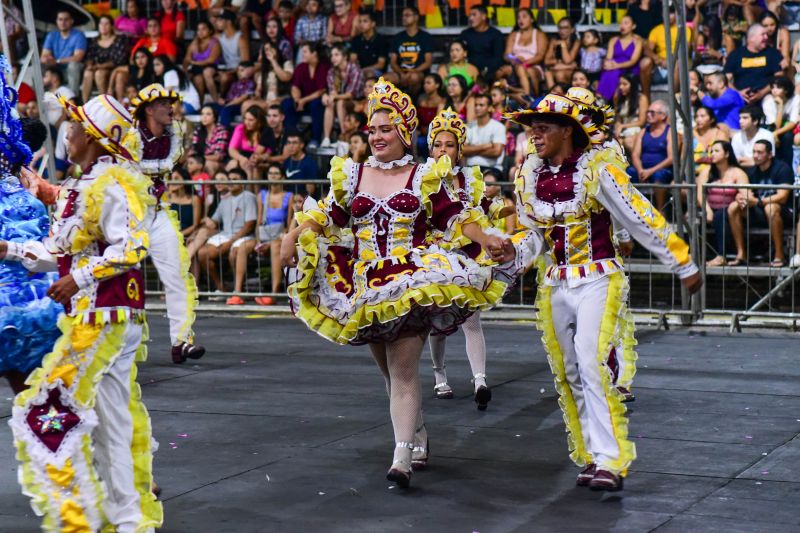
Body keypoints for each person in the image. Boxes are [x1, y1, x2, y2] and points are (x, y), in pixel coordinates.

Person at [280, 77, 511, 488]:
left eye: (386, 129)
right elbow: (328, 215)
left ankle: (401, 456)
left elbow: (456, 218)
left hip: (410, 282)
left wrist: (487, 237)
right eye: (372, 129)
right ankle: (417, 433)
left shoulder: (425, 174)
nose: (377, 136)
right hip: (365, 286)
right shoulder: (351, 174)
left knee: (404, 370)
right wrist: (292, 235)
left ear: (405, 131)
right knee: (389, 374)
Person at [506, 86, 702, 492]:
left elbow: (638, 216)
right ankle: (593, 454)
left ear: (567, 131)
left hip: (597, 277)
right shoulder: (530, 174)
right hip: (556, 282)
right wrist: (506, 256)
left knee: (592, 361)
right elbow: (534, 237)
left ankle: (612, 460)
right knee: (569, 372)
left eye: (542, 128)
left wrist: (681, 261)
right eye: (532, 130)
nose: (534, 136)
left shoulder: (596, 169)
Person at [1, 93, 162, 533]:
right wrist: (11, 249)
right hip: (97, 318)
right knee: (114, 424)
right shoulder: (82, 186)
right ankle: (129, 520)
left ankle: (78, 520)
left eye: (72, 129)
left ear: (91, 138)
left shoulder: (112, 185)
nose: (65, 135)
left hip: (105, 319)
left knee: (44, 413)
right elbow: (60, 251)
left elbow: (131, 246)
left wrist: (81, 279)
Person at [426, 108, 514, 409]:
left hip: (467, 255)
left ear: (459, 149)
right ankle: (440, 376)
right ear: (430, 148)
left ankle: (480, 380)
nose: (443, 150)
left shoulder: (468, 178)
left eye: (449, 145)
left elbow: (484, 204)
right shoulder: (423, 178)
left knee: (471, 318)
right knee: (438, 319)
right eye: (438, 144)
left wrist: (502, 207)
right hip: (436, 255)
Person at [123, 83, 205, 364]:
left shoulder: (173, 134)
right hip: (127, 217)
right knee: (124, 279)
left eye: (172, 102)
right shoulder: (130, 138)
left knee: (177, 276)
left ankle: (182, 341)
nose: (171, 108)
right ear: (148, 109)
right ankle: (123, 343)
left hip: (156, 212)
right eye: (163, 104)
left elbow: (167, 165)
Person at [0, 66, 61, 396]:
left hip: (27, 288)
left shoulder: (26, 184)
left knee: (32, 390)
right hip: (27, 285)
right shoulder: (25, 183)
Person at [197, 167, 257, 299]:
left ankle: (238, 290)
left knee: (235, 251)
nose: (231, 182)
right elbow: (214, 221)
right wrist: (207, 219)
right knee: (202, 253)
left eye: (235, 179)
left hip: (244, 236)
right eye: (229, 179)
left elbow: (249, 225)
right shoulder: (225, 200)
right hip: (225, 235)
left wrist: (231, 242)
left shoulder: (249, 197)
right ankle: (221, 287)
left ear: (243, 182)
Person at [734, 139, 793, 266]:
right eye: (754, 152)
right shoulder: (751, 171)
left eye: (760, 152)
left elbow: (782, 196)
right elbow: (747, 192)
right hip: (759, 210)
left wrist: (758, 201)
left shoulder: (782, 168)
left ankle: (779, 254)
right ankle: (741, 253)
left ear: (770, 154)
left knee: (771, 208)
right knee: (733, 207)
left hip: (784, 212)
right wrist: (741, 197)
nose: (755, 155)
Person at [697, 140, 749, 266]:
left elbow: (745, 195)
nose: (712, 154)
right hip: (710, 208)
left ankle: (721, 256)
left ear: (727, 154)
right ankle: (692, 255)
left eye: (716, 151)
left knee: (720, 215)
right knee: (692, 217)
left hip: (731, 211)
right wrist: (707, 210)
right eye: (711, 151)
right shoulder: (707, 171)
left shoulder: (737, 172)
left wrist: (739, 197)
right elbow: (700, 194)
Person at [253, 164, 295, 305]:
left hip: (280, 236)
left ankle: (274, 293)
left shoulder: (289, 196)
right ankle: (236, 293)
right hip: (264, 236)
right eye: (270, 173)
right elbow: (259, 221)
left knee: (275, 246)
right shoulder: (262, 195)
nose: (273, 176)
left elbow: (288, 223)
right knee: (240, 249)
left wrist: (273, 242)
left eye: (276, 173)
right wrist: (259, 242)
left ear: (282, 177)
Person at [628, 99, 674, 211]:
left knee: (659, 175)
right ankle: (633, 208)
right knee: (629, 172)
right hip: (643, 169)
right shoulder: (643, 132)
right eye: (647, 112)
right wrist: (640, 170)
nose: (648, 115)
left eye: (652, 112)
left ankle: (660, 209)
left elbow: (671, 158)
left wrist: (651, 171)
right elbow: (635, 154)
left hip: (661, 169)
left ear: (663, 116)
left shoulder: (670, 133)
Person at [282, 42, 329, 149]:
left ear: (314, 53)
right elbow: (295, 87)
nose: (302, 54)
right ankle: (291, 137)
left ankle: (315, 139)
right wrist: (297, 100)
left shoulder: (324, 67)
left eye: (305, 52)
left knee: (316, 105)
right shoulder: (300, 67)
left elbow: (321, 91)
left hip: (315, 100)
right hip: (302, 102)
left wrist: (303, 100)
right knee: (287, 104)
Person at [724, 24, 783, 105]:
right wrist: (738, 93)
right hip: (740, 96)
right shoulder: (736, 55)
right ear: (752, 38)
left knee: (769, 103)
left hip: (766, 95)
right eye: (763, 35)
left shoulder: (773, 53)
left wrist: (762, 93)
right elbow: (725, 79)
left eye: (766, 34)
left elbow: (779, 76)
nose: (766, 37)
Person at [81, 14, 131, 104]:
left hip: (114, 69)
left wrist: (100, 66)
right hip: (96, 68)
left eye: (106, 24)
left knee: (99, 73)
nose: (103, 26)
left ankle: (106, 103)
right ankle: (84, 105)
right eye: (101, 24)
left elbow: (119, 60)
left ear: (112, 26)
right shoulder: (94, 41)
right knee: (87, 73)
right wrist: (89, 65)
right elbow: (88, 57)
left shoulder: (119, 40)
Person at [321, 43, 364, 148]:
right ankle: (326, 138)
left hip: (357, 102)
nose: (333, 58)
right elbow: (333, 92)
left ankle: (343, 137)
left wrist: (334, 96)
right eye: (332, 55)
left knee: (340, 102)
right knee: (330, 103)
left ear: (344, 56)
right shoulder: (332, 71)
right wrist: (326, 96)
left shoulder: (354, 69)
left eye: (336, 55)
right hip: (340, 100)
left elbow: (350, 94)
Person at [498, 8, 548, 96]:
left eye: (524, 17)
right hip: (515, 64)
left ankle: (531, 97)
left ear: (532, 19)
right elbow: (507, 55)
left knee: (526, 70)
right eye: (518, 18)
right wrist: (515, 59)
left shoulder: (539, 35)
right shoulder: (513, 35)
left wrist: (524, 63)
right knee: (501, 71)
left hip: (533, 65)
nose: (521, 20)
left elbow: (540, 56)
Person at [385, 6, 433, 95]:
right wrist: (401, 73)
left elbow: (428, 62)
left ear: (416, 17)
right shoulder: (397, 37)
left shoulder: (425, 37)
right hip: (400, 72)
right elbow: (393, 62)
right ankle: (392, 104)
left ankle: (412, 102)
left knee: (414, 77)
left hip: (418, 72)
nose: (404, 18)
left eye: (407, 15)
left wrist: (412, 71)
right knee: (385, 79)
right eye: (403, 16)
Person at [597, 15, 643, 102]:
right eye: (621, 23)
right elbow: (609, 57)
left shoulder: (637, 41)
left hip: (629, 67)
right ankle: (600, 98)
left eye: (626, 23)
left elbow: (633, 60)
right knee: (607, 71)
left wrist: (617, 66)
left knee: (615, 73)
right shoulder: (614, 40)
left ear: (633, 26)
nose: (622, 26)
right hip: (613, 65)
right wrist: (607, 64)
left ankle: (605, 99)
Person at [40, 9, 87, 96]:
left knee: (73, 65)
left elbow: (78, 57)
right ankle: (38, 98)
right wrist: (47, 59)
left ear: (71, 21)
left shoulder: (78, 35)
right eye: (60, 19)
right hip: (56, 69)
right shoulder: (52, 35)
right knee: (37, 66)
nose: (63, 22)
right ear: (57, 21)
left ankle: (73, 98)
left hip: (71, 69)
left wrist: (57, 61)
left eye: (66, 19)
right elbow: (44, 55)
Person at [459, 5, 505, 82]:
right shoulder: (465, 34)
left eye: (474, 15)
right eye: (470, 15)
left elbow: (498, 58)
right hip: (469, 71)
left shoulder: (496, 35)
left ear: (484, 16)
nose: (471, 18)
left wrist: (486, 70)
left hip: (489, 72)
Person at [462, 93, 505, 171]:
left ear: (489, 108)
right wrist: (485, 146)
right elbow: (463, 150)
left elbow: (496, 152)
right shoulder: (468, 127)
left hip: (491, 168)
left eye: (481, 105)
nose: (477, 108)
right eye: (476, 105)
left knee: (489, 179)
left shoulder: (498, 127)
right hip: (470, 168)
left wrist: (472, 150)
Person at [761, 76, 799, 165]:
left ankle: (787, 166)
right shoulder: (768, 102)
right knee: (772, 137)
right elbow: (775, 126)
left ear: (786, 89)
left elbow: (793, 122)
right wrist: (780, 107)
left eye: (778, 87)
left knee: (787, 137)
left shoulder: (795, 99)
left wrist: (776, 133)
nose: (774, 90)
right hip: (771, 127)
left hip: (788, 128)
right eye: (772, 87)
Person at [182, 19, 222, 103]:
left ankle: (216, 100)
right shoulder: (194, 43)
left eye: (204, 29)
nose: (200, 32)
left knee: (207, 72)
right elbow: (187, 59)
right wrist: (185, 69)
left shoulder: (214, 42)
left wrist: (194, 62)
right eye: (198, 29)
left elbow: (211, 60)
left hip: (209, 66)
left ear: (210, 30)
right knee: (197, 79)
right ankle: (198, 104)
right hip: (196, 68)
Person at [229, 105, 268, 180]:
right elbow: (231, 150)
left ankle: (255, 191)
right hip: (244, 158)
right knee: (233, 163)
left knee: (255, 167)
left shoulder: (266, 131)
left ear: (259, 121)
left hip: (260, 160)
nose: (246, 122)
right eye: (245, 119)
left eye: (251, 120)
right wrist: (241, 158)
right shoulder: (240, 128)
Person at [612, 73, 648, 153]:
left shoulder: (641, 98)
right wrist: (618, 126)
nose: (621, 87)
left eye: (625, 84)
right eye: (620, 84)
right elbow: (618, 118)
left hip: (635, 128)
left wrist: (623, 126)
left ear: (633, 85)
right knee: (616, 145)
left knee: (628, 142)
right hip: (623, 129)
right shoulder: (620, 99)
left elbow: (642, 122)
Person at [693, 105, 732, 177]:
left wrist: (703, 159)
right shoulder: (690, 135)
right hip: (693, 174)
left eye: (702, 116)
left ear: (712, 119)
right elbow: (683, 158)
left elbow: (725, 156)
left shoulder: (720, 135)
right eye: (696, 116)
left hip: (715, 173)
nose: (698, 119)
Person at [190, 104, 229, 176]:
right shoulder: (198, 131)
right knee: (189, 162)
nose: (204, 117)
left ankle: (210, 187)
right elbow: (194, 150)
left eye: (208, 114)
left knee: (208, 164)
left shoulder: (221, 131)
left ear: (214, 117)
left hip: (219, 163)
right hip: (201, 160)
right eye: (202, 114)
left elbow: (218, 156)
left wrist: (200, 159)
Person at [350, 9, 388, 79]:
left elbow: (380, 64)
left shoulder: (381, 40)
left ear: (373, 24)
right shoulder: (356, 40)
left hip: (377, 72)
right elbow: (353, 60)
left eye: (365, 21)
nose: (361, 24)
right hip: (359, 71)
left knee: (368, 74)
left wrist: (363, 70)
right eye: (360, 21)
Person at [544, 17, 580, 88]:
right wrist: (559, 61)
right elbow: (547, 61)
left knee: (560, 74)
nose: (562, 31)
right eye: (560, 28)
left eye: (565, 28)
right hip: (560, 69)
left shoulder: (576, 42)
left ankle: (564, 96)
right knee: (550, 73)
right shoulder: (554, 41)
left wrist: (563, 45)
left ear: (572, 30)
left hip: (571, 71)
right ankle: (554, 97)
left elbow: (567, 60)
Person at [283, 131, 319, 197]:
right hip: (289, 200)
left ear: (301, 145)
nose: (291, 146)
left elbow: (310, 191)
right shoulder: (286, 162)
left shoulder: (310, 163)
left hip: (303, 202)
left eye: (294, 143)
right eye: (289, 143)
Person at [169, 166, 202, 236]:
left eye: (176, 178)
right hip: (169, 234)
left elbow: (195, 225)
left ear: (185, 180)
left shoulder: (194, 199)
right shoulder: (168, 197)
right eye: (171, 179)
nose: (172, 181)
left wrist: (179, 235)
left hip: (186, 235)